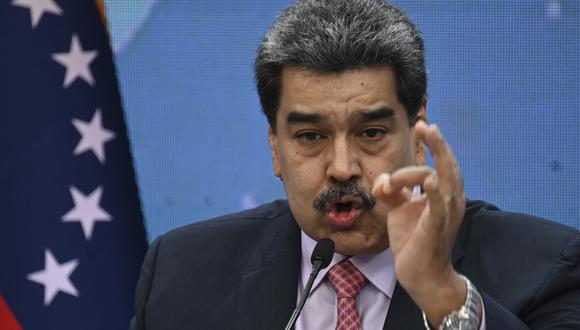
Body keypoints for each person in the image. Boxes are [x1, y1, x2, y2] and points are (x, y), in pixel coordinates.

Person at [130, 0, 580, 329]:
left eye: (370, 133)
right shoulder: (182, 274)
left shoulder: (545, 268)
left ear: (418, 130)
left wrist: (445, 295)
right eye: (310, 137)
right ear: (273, 145)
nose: (342, 167)